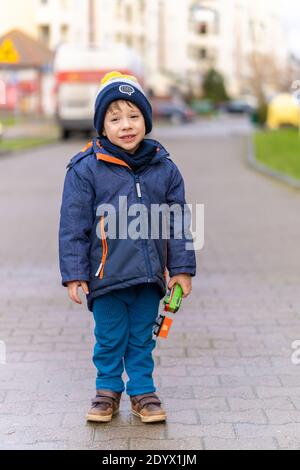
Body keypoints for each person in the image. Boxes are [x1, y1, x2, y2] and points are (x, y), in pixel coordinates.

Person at [59, 71, 196, 424]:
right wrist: (75, 273)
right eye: (115, 118)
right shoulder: (85, 169)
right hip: (105, 278)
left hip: (149, 277)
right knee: (109, 338)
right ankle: (106, 391)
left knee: (141, 339)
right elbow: (73, 226)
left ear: (146, 121)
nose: (126, 125)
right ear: (101, 125)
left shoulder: (164, 168)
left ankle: (142, 391)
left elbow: (177, 221)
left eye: (134, 116)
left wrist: (181, 269)